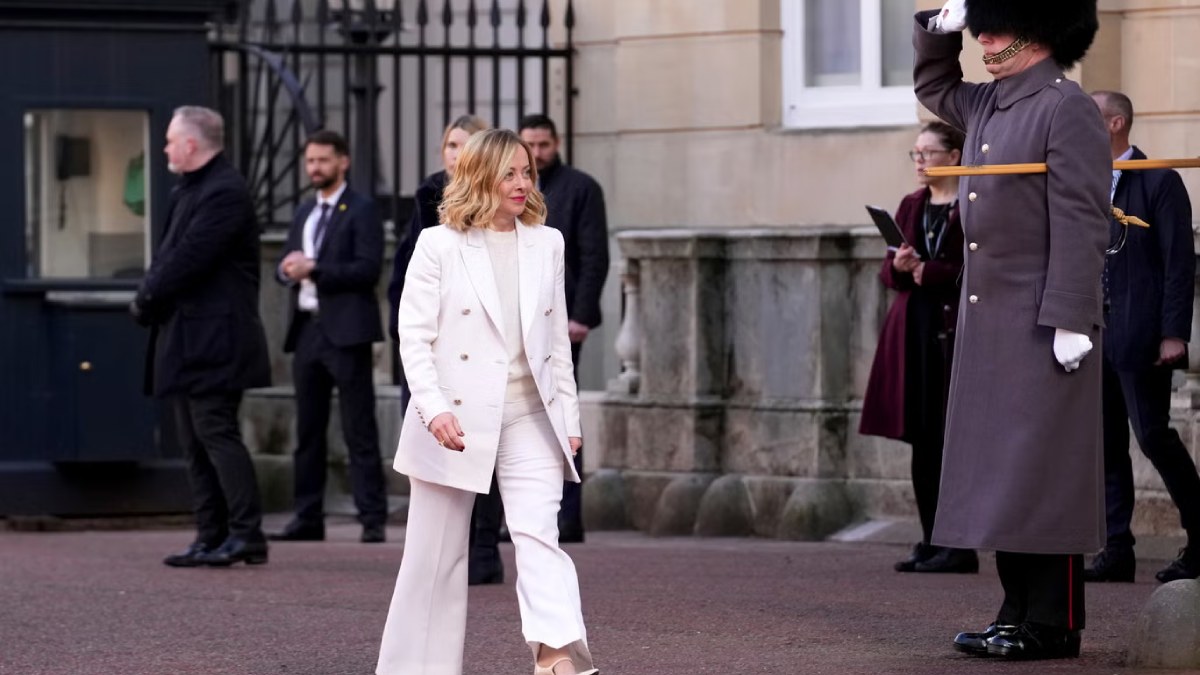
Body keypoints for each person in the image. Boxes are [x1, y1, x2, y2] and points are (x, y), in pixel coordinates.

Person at [915, 0, 1109, 660]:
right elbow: (934, 88)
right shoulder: (992, 103)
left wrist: (1071, 316)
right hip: (987, 318)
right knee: (999, 471)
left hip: (1041, 318)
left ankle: (1053, 619)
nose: (985, 36)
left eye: (995, 23)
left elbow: (1084, 219)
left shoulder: (1065, 106)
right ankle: (1017, 607)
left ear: (1038, 27)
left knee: (1041, 472)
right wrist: (932, 30)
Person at [376, 129, 599, 675]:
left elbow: (554, 348)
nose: (522, 183)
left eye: (527, 172)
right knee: (434, 559)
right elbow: (414, 336)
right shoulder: (438, 244)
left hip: (530, 416)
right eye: (510, 173)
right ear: (479, 177)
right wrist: (434, 409)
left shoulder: (548, 243)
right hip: (455, 419)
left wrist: (568, 418)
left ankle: (556, 658)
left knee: (538, 536)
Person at [130, 106, 271, 568]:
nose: (166, 147)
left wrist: (148, 295)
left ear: (191, 144)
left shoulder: (225, 191)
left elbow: (191, 257)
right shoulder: (192, 188)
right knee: (193, 441)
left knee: (216, 433)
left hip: (216, 339)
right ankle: (210, 535)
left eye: (171, 140)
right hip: (189, 337)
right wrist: (151, 291)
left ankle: (246, 535)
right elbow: (169, 253)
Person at [1084, 90, 1200, 584]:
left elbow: (1180, 262)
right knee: (1105, 442)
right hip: (1091, 332)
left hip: (1141, 331)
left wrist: (1174, 332)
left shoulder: (1159, 179)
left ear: (1115, 124)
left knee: (1152, 435)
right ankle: (1116, 548)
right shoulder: (1078, 181)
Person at [384, 114, 503, 584]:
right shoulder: (428, 198)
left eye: (467, 145)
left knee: (485, 446)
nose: (457, 154)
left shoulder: (502, 202)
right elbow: (407, 271)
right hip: (435, 341)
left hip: (481, 344)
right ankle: (441, 553)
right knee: (436, 445)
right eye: (451, 145)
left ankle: (484, 548)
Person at [860, 121, 978, 575]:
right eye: (915, 154)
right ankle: (931, 537)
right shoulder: (912, 204)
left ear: (953, 155)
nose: (920, 162)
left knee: (951, 440)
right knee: (922, 439)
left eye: (927, 153)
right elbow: (887, 275)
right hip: (913, 330)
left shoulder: (971, 204)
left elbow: (981, 268)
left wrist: (931, 272)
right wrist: (903, 267)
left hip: (955, 329)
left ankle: (958, 543)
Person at [270, 130, 389, 544]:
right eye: (310, 161)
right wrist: (286, 270)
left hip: (346, 331)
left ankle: (372, 516)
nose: (314, 168)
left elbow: (367, 270)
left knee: (359, 427)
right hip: (307, 330)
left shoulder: (362, 209)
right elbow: (286, 263)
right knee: (308, 430)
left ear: (343, 162)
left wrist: (315, 269)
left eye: (323, 160)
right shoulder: (304, 212)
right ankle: (307, 516)